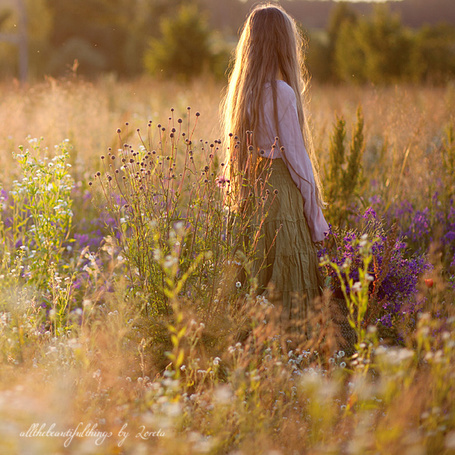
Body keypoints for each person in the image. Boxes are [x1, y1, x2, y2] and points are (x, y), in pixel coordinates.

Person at [221, 3, 329, 331]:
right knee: (289, 286)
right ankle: (292, 358)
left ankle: (252, 356)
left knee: (253, 281)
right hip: (282, 198)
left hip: (252, 196)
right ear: (284, 44)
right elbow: (299, 166)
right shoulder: (282, 92)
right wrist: (317, 220)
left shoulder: (243, 93)